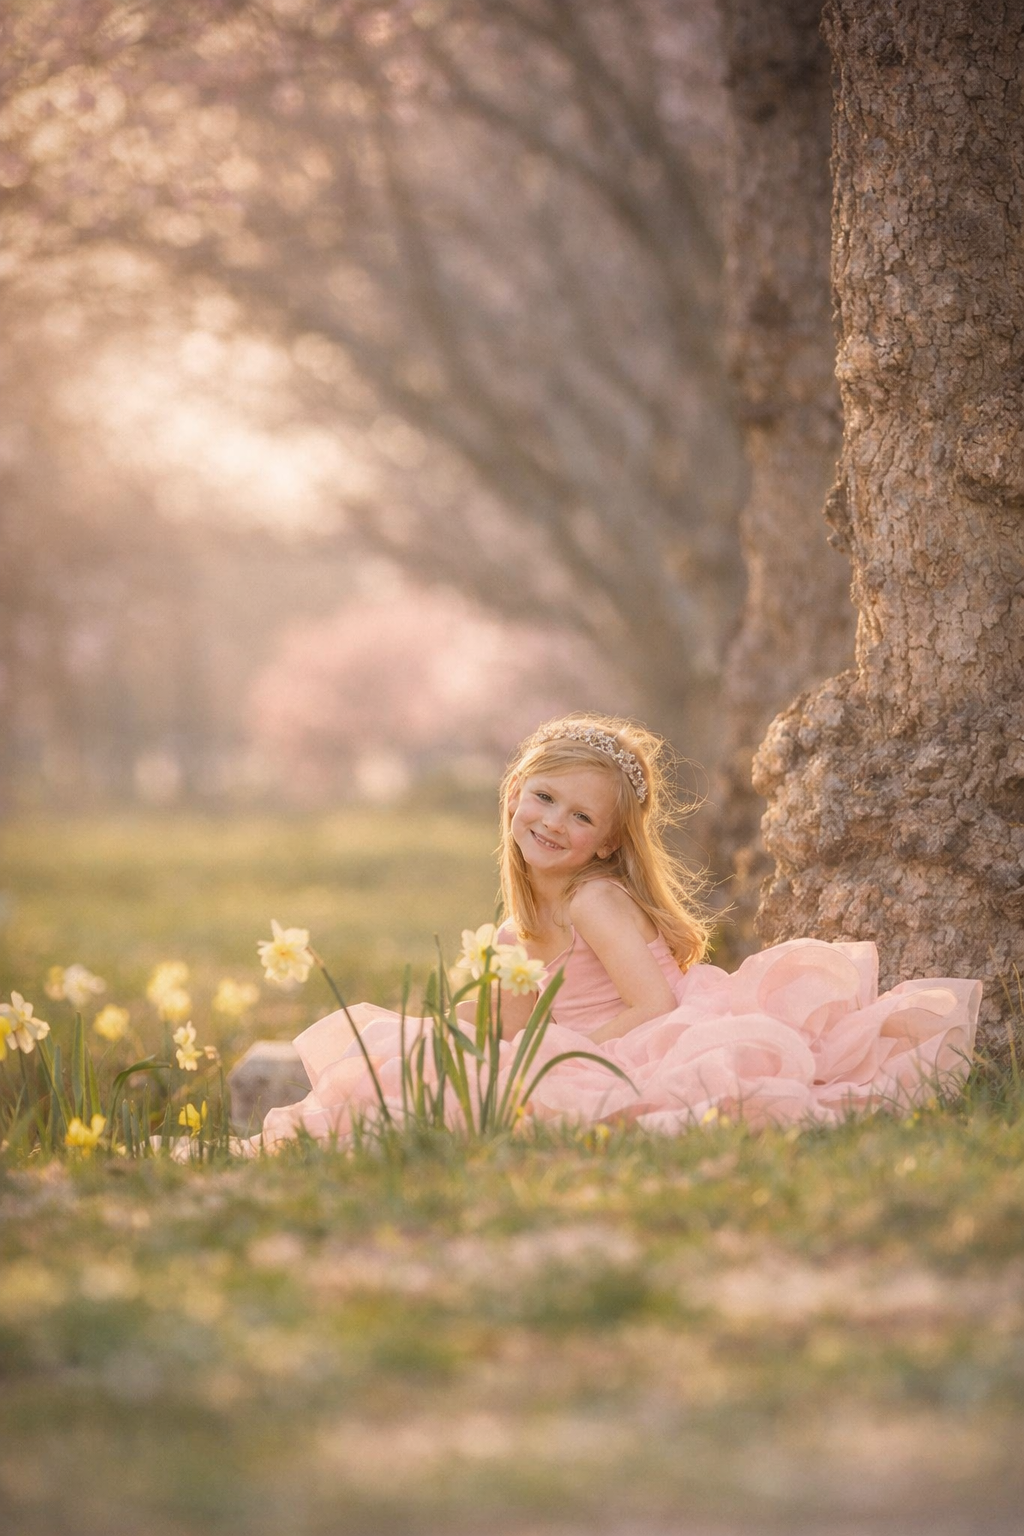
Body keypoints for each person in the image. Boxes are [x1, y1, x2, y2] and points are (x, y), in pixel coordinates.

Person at [239, 714, 981, 1153]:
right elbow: (510, 1028)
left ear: (606, 844)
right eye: (545, 797)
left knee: (538, 1090)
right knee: (411, 1064)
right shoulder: (514, 932)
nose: (554, 822)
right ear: (514, 798)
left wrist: (562, 1060)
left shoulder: (596, 900)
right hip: (604, 1039)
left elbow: (655, 1006)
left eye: (582, 817)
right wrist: (448, 1043)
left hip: (654, 1034)